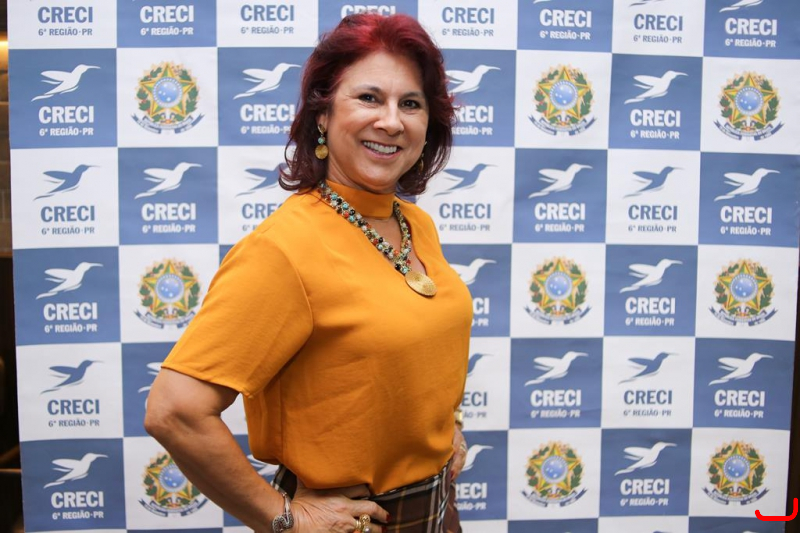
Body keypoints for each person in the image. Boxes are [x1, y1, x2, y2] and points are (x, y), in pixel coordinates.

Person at [145, 13, 473, 533]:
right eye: (369, 98)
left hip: (434, 508)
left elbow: (414, 348)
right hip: (357, 522)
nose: (392, 121)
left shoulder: (415, 225)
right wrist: (286, 519)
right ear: (322, 115)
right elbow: (174, 410)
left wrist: (443, 427)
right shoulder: (284, 248)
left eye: (410, 103)